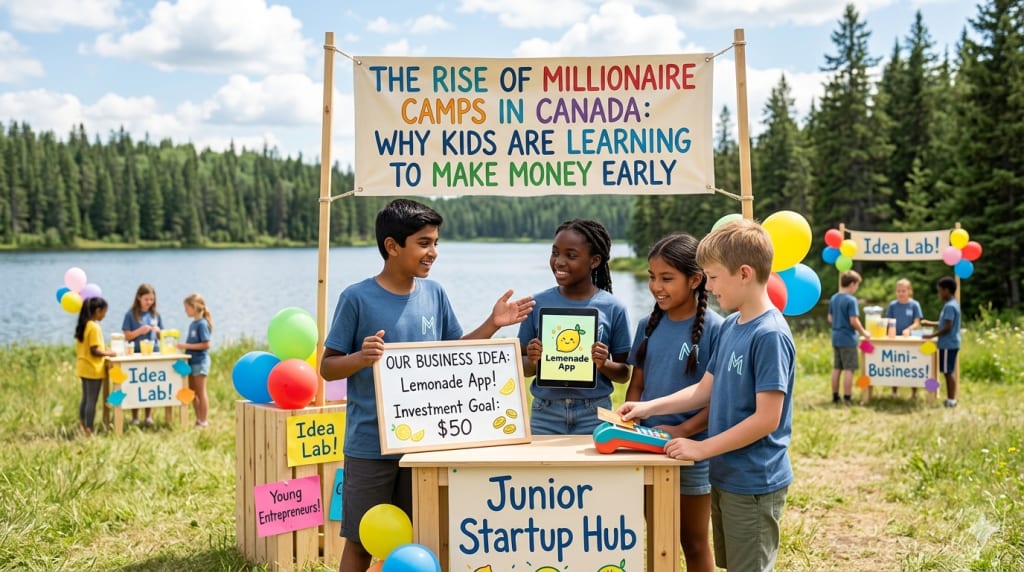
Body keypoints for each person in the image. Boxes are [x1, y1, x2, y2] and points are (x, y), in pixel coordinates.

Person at [320, 199, 535, 572]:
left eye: (435, 242)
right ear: (392, 246)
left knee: (421, 535)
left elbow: (455, 354)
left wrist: (492, 324)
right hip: (370, 445)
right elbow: (327, 368)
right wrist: (361, 357)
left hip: (424, 446)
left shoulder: (435, 293)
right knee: (361, 541)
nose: (433, 252)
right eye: (424, 243)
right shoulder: (356, 297)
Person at [617, 218, 796, 572]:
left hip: (754, 479)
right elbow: (703, 390)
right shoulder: (732, 325)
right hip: (725, 473)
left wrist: (701, 448)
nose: (709, 287)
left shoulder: (769, 334)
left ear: (744, 273)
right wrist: (646, 406)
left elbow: (767, 419)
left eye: (713, 277)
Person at [620, 233, 723, 572]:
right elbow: (637, 385)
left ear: (695, 280)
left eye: (666, 278)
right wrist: (631, 425)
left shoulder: (716, 329)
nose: (656, 286)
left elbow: (716, 398)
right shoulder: (646, 326)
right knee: (658, 538)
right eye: (652, 277)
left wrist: (682, 430)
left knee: (693, 542)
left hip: (694, 452)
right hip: (647, 448)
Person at [518, 218, 632, 435]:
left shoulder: (613, 308)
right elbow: (523, 367)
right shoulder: (536, 304)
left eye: (571, 255)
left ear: (594, 261)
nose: (559, 262)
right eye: (555, 253)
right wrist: (532, 360)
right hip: (545, 413)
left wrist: (603, 364)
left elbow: (624, 373)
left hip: (594, 412)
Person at [122, 283, 163, 425]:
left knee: (150, 385)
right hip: (136, 355)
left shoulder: (155, 315)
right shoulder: (130, 315)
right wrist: (140, 331)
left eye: (151, 299)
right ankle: (135, 417)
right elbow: (127, 336)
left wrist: (158, 332)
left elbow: (162, 337)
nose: (149, 302)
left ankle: (148, 416)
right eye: (146, 299)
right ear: (139, 297)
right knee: (136, 385)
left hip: (153, 354)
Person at [75, 296, 116, 436]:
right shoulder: (94, 327)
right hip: (93, 368)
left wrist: (104, 349)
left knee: (86, 399)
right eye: (104, 312)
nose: (105, 315)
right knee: (92, 401)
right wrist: (110, 353)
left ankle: (82, 424)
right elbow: (95, 350)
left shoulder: (84, 325)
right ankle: (89, 429)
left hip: (83, 366)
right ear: (98, 311)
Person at [828, 270, 870, 404]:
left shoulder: (834, 298)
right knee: (849, 369)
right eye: (857, 285)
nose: (856, 288)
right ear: (852, 284)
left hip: (836, 337)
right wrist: (864, 332)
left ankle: (835, 396)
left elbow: (830, 318)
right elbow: (853, 321)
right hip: (848, 338)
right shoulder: (851, 300)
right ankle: (847, 397)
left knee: (837, 368)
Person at [922, 276, 961, 408]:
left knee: (947, 372)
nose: (939, 294)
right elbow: (945, 323)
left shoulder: (949, 306)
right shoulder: (953, 304)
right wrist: (930, 323)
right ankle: (951, 399)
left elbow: (948, 326)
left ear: (947, 290)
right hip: (951, 343)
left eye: (940, 291)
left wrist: (931, 335)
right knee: (947, 371)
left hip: (948, 344)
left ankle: (951, 400)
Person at [177, 293, 213, 427]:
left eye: (187, 308)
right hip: (191, 362)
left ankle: (204, 420)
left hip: (200, 362)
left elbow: (206, 344)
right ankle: (198, 420)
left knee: (201, 392)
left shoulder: (202, 324)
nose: (185, 311)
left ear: (194, 307)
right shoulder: (193, 324)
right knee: (192, 392)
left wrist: (185, 346)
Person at [886, 278, 923, 397]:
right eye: (898, 291)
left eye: (903, 291)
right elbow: (888, 321)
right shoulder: (892, 305)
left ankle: (914, 393)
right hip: (895, 340)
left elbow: (917, 322)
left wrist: (909, 329)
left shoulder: (915, 305)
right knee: (894, 365)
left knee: (912, 365)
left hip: (910, 340)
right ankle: (894, 392)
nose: (901, 293)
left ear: (909, 291)